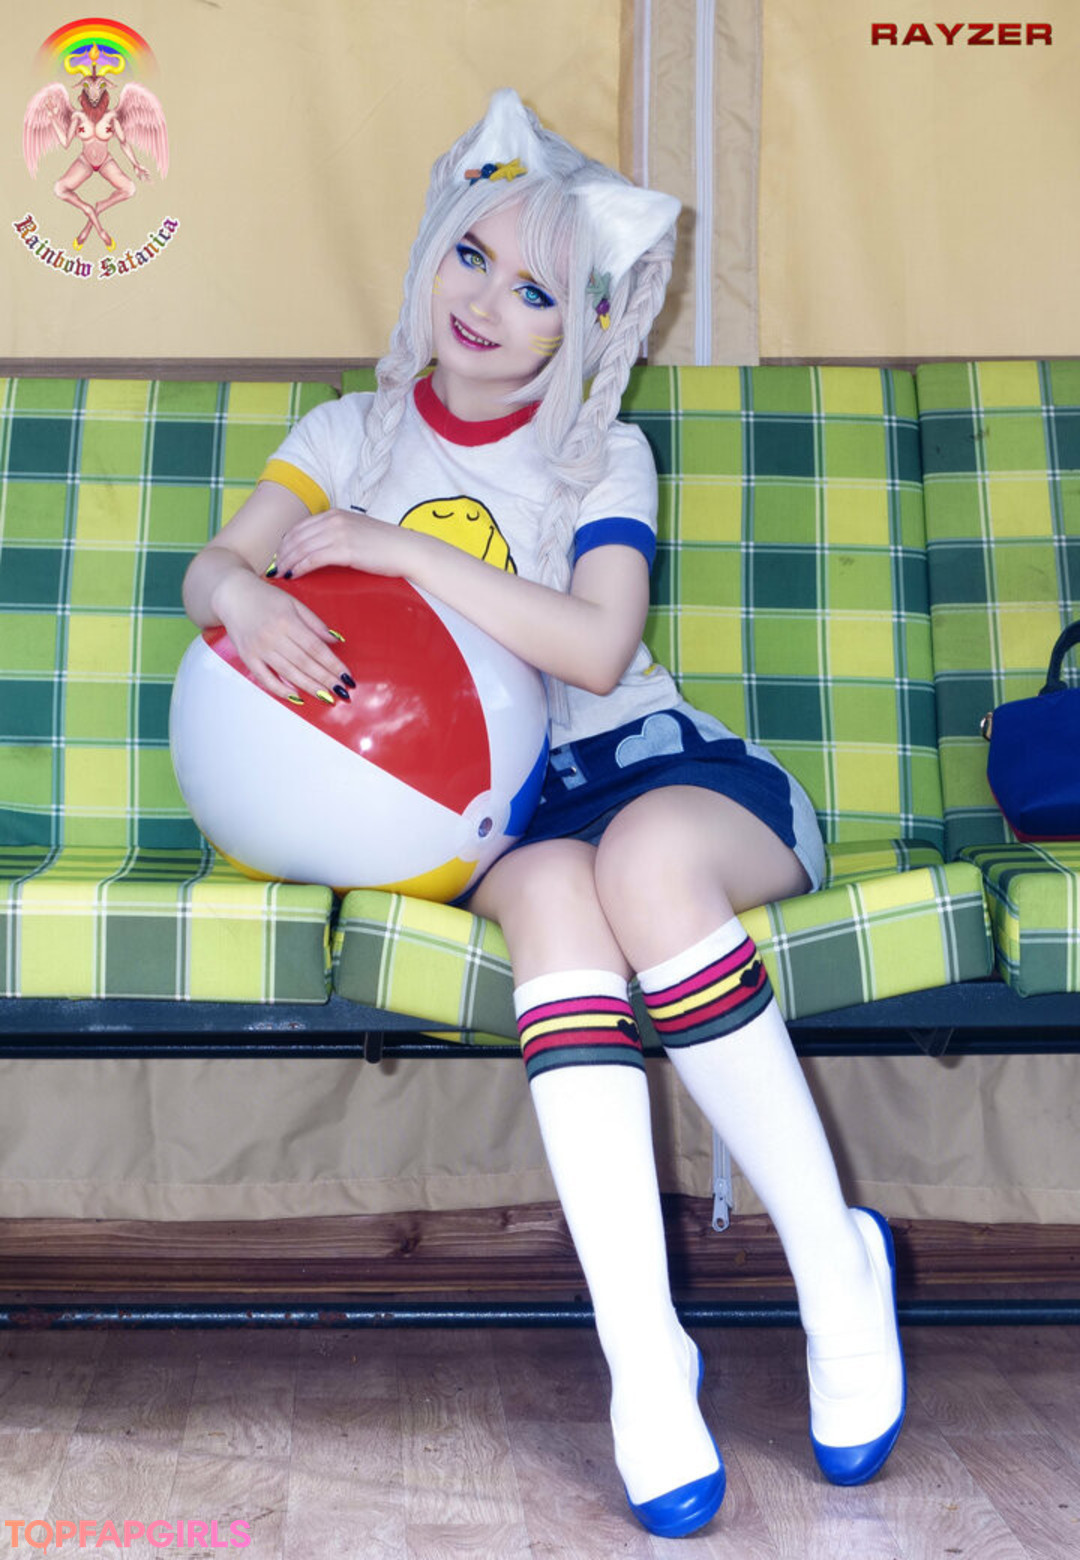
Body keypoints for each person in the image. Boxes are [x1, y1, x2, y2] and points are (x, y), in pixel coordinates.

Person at [181, 88, 905, 1539]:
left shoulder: (599, 452)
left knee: (642, 868)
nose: (488, 303)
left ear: (584, 327)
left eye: (536, 291)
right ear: (431, 253)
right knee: (566, 902)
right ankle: (646, 1358)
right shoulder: (348, 431)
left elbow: (593, 645)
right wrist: (240, 599)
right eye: (472, 257)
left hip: (662, 771)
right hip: (489, 818)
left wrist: (399, 554)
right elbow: (217, 567)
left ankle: (836, 1271)